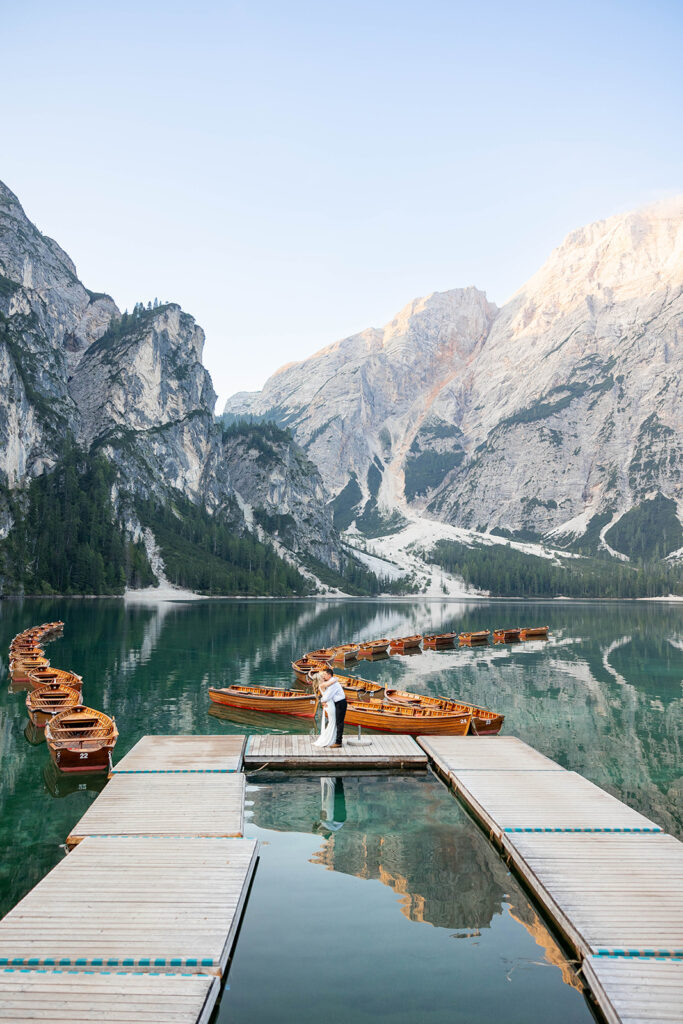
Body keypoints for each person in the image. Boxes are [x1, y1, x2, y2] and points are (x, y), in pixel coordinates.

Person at [317, 667, 347, 747]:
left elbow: (327, 696)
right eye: (323, 675)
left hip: (340, 703)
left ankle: (338, 742)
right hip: (337, 703)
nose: (324, 676)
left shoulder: (333, 684)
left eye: (325, 675)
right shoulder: (331, 682)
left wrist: (322, 701)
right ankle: (336, 739)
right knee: (337, 722)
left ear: (329, 675)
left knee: (339, 722)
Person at [312, 671, 336, 747]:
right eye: (322, 677)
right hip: (330, 704)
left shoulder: (321, 685)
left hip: (329, 704)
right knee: (332, 722)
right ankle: (329, 739)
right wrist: (335, 678)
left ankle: (331, 738)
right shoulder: (322, 685)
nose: (324, 678)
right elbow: (333, 681)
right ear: (320, 679)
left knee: (332, 722)